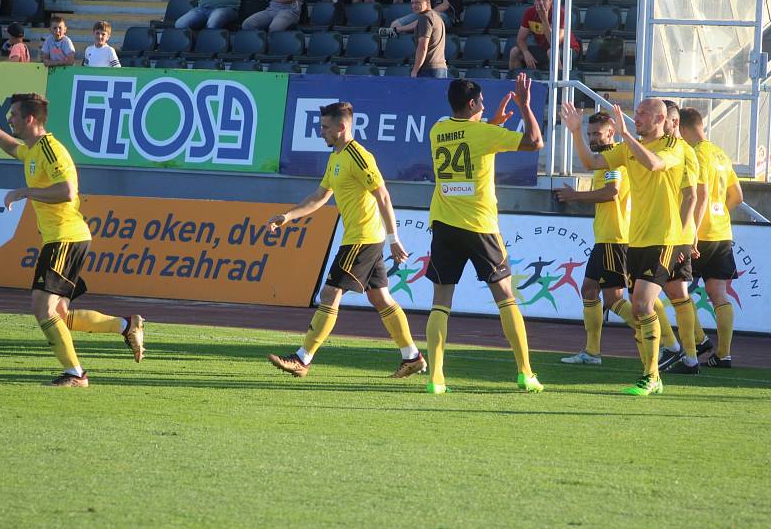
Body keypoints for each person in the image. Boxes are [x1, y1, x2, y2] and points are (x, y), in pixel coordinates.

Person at [0, 93, 146, 387]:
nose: (9, 119)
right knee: (60, 314)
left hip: (66, 237)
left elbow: (67, 191)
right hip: (61, 239)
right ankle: (127, 325)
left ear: (29, 119)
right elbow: (12, 148)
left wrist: (24, 192)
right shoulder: (33, 150)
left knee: (42, 307)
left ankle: (76, 374)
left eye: (13, 114)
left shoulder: (51, 150)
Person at [266, 101, 426, 379]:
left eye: (325, 128)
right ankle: (412, 356)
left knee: (329, 294)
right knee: (381, 298)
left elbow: (383, 195)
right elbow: (319, 196)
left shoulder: (359, 156)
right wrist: (287, 216)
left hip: (362, 238)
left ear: (342, 127)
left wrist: (394, 238)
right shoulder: (336, 157)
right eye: (320, 127)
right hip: (363, 237)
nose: (321, 132)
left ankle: (303, 359)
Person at [561, 99, 690, 396]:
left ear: (660, 118)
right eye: (637, 113)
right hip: (636, 239)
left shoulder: (673, 146)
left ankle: (653, 373)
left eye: (643, 113)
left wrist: (626, 135)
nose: (637, 117)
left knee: (642, 304)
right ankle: (653, 368)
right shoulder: (627, 149)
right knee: (635, 304)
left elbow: (654, 164)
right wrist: (575, 132)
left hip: (664, 237)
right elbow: (591, 163)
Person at [425, 74, 544, 394]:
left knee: (440, 303)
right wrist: (525, 107)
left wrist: (492, 122)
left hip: (445, 224)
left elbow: (467, 140)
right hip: (480, 226)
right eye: (481, 102)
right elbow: (535, 142)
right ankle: (525, 373)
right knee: (506, 298)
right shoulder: (485, 133)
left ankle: (436, 378)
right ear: (473, 103)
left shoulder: (438, 130)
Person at [554, 111, 636, 365]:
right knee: (589, 290)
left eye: (597, 134)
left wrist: (575, 196)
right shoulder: (605, 160)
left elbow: (612, 193)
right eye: (589, 134)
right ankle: (592, 352)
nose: (592, 138)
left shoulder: (615, 160)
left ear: (611, 133)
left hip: (615, 237)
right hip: (605, 236)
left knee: (613, 299)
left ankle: (660, 339)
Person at [679, 107, 744, 368]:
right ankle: (724, 354)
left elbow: (701, 195)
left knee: (676, 286)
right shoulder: (720, 153)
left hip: (700, 234)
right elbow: (737, 196)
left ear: (683, 129)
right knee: (719, 293)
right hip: (722, 233)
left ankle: (699, 338)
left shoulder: (697, 153)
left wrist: (693, 231)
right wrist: (720, 215)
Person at [657, 100, 707, 375]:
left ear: (673, 122)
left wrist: (684, 237)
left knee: (643, 290)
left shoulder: (684, 152)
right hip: (669, 234)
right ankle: (687, 356)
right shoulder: (668, 149)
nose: (657, 123)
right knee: (676, 293)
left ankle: (676, 348)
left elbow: (694, 196)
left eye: (661, 118)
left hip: (673, 236)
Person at [509, 0, 580, 71]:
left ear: (550, 1)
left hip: (568, 50)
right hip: (545, 50)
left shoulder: (560, 13)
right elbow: (520, 39)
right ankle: (517, 80)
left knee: (552, 52)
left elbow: (555, 43)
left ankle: (560, 81)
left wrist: (544, 19)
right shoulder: (529, 12)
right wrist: (526, 52)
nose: (541, 3)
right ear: (534, 2)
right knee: (514, 52)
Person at [381, 0, 460, 36]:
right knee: (395, 24)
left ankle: (400, 29)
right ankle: (395, 51)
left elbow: (445, 6)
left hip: (447, 18)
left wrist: (426, 14)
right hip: (428, 15)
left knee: (426, 18)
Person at [409, 0, 447, 78]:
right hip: (440, 68)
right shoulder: (436, 17)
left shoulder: (425, 18)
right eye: (412, 3)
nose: (413, 6)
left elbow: (422, 47)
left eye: (417, 3)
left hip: (429, 70)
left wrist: (415, 70)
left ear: (427, 2)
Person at [175, 0, 241, 30]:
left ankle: (209, 46)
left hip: (226, 8)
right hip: (203, 8)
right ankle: (193, 46)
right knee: (180, 24)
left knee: (214, 21)